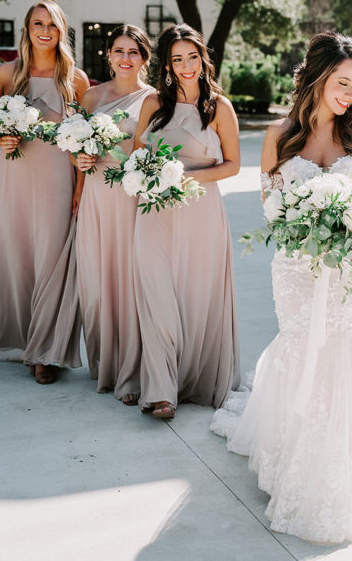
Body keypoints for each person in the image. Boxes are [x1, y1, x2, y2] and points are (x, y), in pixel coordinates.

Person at [211, 31, 352, 545]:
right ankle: (291, 457)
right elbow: (270, 209)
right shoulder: (281, 135)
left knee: (344, 350)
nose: (350, 94)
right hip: (298, 266)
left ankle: (346, 470)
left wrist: (347, 223)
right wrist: (307, 222)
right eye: (342, 82)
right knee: (303, 346)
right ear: (318, 77)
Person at [132, 23, 240, 420]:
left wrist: (186, 177)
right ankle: (161, 391)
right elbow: (135, 155)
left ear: (202, 58)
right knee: (157, 294)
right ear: (168, 64)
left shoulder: (219, 107)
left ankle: (195, 378)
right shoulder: (153, 105)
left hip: (201, 211)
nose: (186, 65)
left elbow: (233, 165)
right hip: (155, 212)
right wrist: (151, 176)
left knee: (196, 297)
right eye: (177, 59)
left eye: (192, 57)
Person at [0, 0, 89, 383]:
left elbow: (83, 142)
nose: (45, 31)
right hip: (15, 177)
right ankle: (26, 341)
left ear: (61, 31)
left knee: (52, 261)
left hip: (58, 179)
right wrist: (1, 138)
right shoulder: (7, 73)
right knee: (19, 259)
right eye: (37, 24)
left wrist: (80, 188)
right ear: (27, 29)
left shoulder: (75, 79)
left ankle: (47, 351)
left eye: (52, 25)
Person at [74, 25, 154, 405]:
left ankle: (132, 371)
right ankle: (105, 362)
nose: (125, 58)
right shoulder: (91, 96)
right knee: (97, 277)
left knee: (130, 278)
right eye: (119, 50)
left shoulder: (155, 98)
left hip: (132, 196)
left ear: (144, 58)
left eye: (133, 52)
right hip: (96, 192)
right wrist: (79, 156)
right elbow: (72, 142)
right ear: (108, 54)